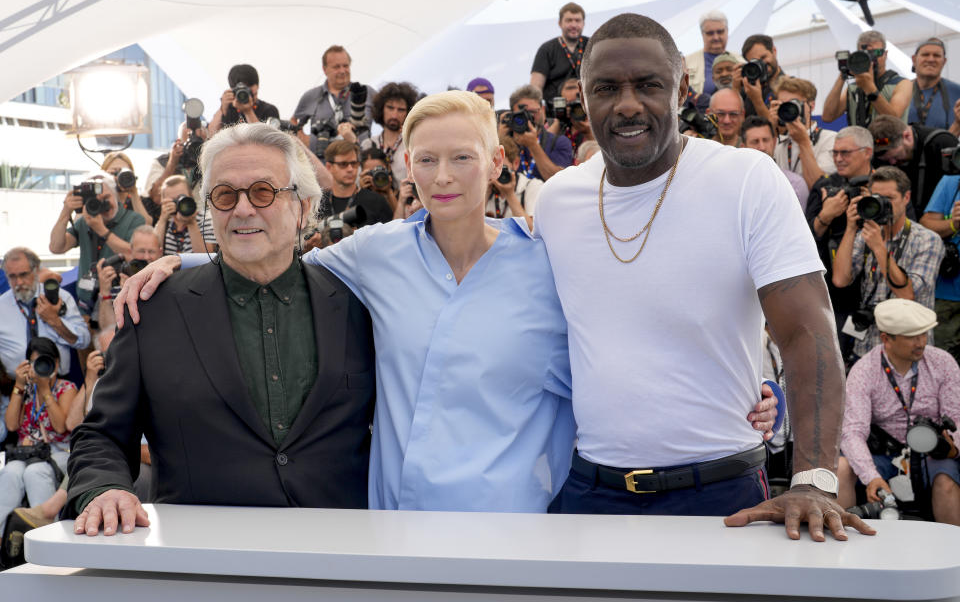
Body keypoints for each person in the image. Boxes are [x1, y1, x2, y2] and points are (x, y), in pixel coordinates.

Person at [116, 95, 780, 515]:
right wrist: (177, 263)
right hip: (394, 529)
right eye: (426, 159)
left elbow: (627, 351)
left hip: (516, 530)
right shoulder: (374, 255)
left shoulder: (547, 262)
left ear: (495, 163)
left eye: (461, 157)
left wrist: (745, 393)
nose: (441, 176)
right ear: (405, 165)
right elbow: (274, 256)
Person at [535, 13, 873, 540]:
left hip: (719, 492)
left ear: (682, 89)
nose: (627, 104)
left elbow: (808, 332)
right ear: (582, 96)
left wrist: (812, 481)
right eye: (606, 88)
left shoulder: (746, 179)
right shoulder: (556, 200)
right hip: (588, 490)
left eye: (648, 85)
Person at [66, 123, 377, 536]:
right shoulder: (153, 310)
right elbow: (102, 434)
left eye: (263, 192)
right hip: (202, 565)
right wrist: (104, 489)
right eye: (226, 196)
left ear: (303, 207)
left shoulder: (358, 307)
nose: (243, 210)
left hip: (341, 561)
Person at [838, 299, 960, 525]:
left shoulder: (942, 362)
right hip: (885, 453)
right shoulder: (864, 371)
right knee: (841, 468)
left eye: (923, 334)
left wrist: (954, 448)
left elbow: (956, 418)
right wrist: (871, 475)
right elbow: (853, 431)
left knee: (945, 481)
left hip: (932, 452)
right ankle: (842, 544)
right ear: (886, 339)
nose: (921, 342)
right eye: (912, 336)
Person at [832, 167, 944, 360]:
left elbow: (907, 294)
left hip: (909, 349)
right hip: (867, 347)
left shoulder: (927, 240)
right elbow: (840, 279)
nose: (882, 204)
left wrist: (879, 247)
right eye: (876, 197)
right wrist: (850, 229)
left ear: (906, 198)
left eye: (889, 199)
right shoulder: (865, 235)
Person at [805, 126, 875, 360]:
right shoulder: (825, 186)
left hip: (872, 291)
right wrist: (826, 215)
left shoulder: (885, 183)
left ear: (867, 152)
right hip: (832, 294)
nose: (838, 159)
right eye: (835, 153)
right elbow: (805, 239)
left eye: (845, 153)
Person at [0, 337, 77, 540]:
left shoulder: (66, 388)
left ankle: (45, 538)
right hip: (26, 453)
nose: (40, 367)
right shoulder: (26, 389)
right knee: (10, 473)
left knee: (36, 472)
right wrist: (18, 385)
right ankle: (2, 541)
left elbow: (61, 426)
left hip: (58, 453)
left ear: (57, 364)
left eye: (45, 361)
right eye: (34, 363)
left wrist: (45, 391)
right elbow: (11, 425)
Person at [49, 173, 146, 312]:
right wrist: (66, 211)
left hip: (119, 300)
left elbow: (133, 254)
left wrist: (101, 230)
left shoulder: (134, 220)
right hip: (86, 302)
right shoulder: (85, 222)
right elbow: (56, 247)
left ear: (116, 196)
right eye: (96, 201)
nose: (103, 205)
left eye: (106, 198)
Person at [0, 248, 90, 380]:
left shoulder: (61, 297)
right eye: (12, 276)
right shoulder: (2, 305)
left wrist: (54, 321)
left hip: (58, 385)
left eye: (23, 275)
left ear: (36, 270)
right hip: (16, 388)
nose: (19, 282)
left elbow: (84, 341)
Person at [292, 45, 376, 153]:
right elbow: (294, 121)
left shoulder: (366, 92)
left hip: (359, 159)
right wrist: (302, 139)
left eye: (345, 66)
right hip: (322, 162)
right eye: (336, 67)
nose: (342, 71)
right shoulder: (311, 96)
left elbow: (388, 116)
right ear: (324, 69)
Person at [870, 113, 960, 212]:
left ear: (907, 136)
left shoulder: (940, 143)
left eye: (896, 157)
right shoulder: (879, 149)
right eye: (886, 160)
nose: (892, 163)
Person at [822, 30, 911, 128]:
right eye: (866, 54)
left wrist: (870, 88)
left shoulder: (901, 84)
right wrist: (843, 74)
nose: (872, 58)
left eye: (877, 52)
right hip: (859, 142)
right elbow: (827, 117)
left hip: (887, 142)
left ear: (885, 54)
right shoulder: (854, 87)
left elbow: (893, 121)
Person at [920, 170, 960, 361]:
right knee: (941, 361)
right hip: (948, 294)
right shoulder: (952, 182)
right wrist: (954, 223)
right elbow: (926, 225)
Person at [770, 77, 836, 189]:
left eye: (793, 103)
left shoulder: (831, 139)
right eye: (783, 105)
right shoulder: (778, 142)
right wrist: (770, 129)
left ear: (812, 106)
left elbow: (820, 187)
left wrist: (803, 142)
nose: (788, 109)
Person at [500, 85, 573, 181]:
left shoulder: (560, 142)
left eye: (532, 112)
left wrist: (533, 145)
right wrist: (499, 138)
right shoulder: (504, 143)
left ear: (543, 110)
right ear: (512, 115)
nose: (528, 117)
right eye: (522, 114)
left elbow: (560, 181)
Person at [741, 116, 807, 207]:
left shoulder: (795, 185)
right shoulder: (736, 185)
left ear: (774, 141)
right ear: (743, 147)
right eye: (755, 142)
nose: (762, 147)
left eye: (765, 140)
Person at [531, 2, 589, 103]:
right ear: (560, 23)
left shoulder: (592, 46)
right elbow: (535, 88)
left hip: (588, 108)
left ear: (583, 23)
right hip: (555, 110)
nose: (574, 25)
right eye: (569, 20)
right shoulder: (546, 49)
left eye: (577, 20)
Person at [364, 81, 419, 186]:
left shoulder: (413, 143)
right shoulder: (368, 144)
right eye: (390, 108)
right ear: (381, 108)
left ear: (408, 113)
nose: (394, 115)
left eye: (401, 110)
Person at [207, 64, 280, 136]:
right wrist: (222, 108)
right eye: (240, 89)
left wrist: (248, 112)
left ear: (257, 86)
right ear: (232, 89)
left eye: (248, 87)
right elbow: (211, 134)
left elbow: (266, 140)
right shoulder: (229, 109)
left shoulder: (269, 110)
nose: (245, 92)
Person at [685, 11, 743, 97]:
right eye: (710, 33)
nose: (716, 37)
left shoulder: (742, 61)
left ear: (727, 32)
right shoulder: (686, 64)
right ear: (702, 34)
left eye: (720, 32)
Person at [154, 176, 216, 256]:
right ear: (163, 202)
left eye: (182, 197)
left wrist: (191, 222)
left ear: (191, 196)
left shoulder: (206, 219)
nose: (179, 202)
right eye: (173, 200)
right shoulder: (164, 224)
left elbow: (206, 257)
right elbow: (153, 255)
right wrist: (162, 219)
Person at [909, 37, 960, 134]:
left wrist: (957, 126)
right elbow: (882, 139)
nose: (931, 59)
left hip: (947, 148)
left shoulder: (957, 93)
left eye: (936, 55)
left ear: (944, 62)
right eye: (925, 54)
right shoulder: (898, 91)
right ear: (914, 59)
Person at [738, 34, 786, 121]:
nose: (761, 64)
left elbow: (777, 130)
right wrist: (735, 89)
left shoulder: (790, 87)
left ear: (774, 51)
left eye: (763, 57)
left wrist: (757, 101)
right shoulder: (747, 88)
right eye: (755, 62)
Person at [102, 151, 152, 225]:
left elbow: (146, 225)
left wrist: (133, 192)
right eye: (114, 173)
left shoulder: (142, 201)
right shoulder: (99, 200)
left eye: (123, 172)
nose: (119, 177)